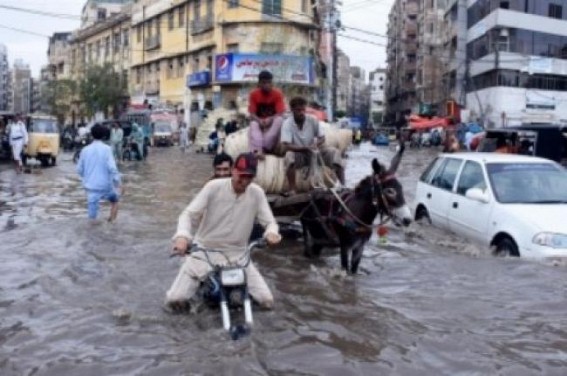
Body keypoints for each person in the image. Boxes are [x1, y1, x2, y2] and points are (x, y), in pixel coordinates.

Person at [166, 152, 282, 312]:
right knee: (175, 300)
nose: (244, 181)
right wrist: (182, 237)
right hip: (205, 252)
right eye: (241, 175)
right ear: (233, 171)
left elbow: (270, 222)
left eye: (249, 177)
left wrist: (271, 233)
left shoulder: (257, 193)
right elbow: (188, 214)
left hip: (239, 255)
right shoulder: (213, 187)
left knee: (266, 301)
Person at [281, 96, 344, 195]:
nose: (301, 113)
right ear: (292, 110)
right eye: (298, 110)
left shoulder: (313, 120)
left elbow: (322, 138)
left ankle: (342, 186)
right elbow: (287, 145)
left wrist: (315, 144)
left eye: (303, 110)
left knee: (335, 153)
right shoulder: (287, 123)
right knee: (289, 156)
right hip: (299, 154)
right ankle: (292, 189)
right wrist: (305, 148)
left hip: (315, 152)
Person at [77, 123, 122, 222]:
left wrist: (87, 178)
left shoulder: (85, 150)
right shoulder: (107, 149)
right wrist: (118, 183)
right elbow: (112, 168)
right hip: (106, 186)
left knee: (92, 218)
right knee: (115, 201)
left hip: (91, 188)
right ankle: (111, 223)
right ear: (103, 135)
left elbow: (79, 170)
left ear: (92, 135)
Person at [248, 70, 286, 159]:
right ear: (259, 83)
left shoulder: (277, 94)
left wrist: (270, 119)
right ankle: (258, 150)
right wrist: (259, 120)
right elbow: (252, 113)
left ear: (272, 83)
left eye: (269, 82)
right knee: (253, 124)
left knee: (280, 120)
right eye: (264, 83)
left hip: (272, 121)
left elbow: (280, 112)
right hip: (259, 121)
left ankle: (266, 147)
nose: (267, 85)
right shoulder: (253, 94)